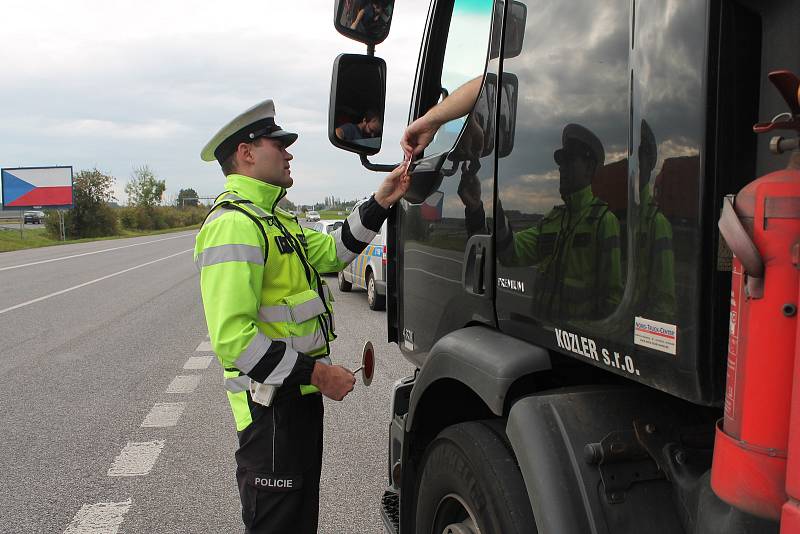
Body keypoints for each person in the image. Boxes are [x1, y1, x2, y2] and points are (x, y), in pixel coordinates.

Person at [195, 99, 409, 534]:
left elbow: (333, 252)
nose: (289, 152)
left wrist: (382, 199)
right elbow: (234, 340)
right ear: (247, 153)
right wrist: (318, 374)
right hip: (269, 410)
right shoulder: (234, 224)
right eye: (279, 144)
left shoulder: (274, 219)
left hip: (295, 402)